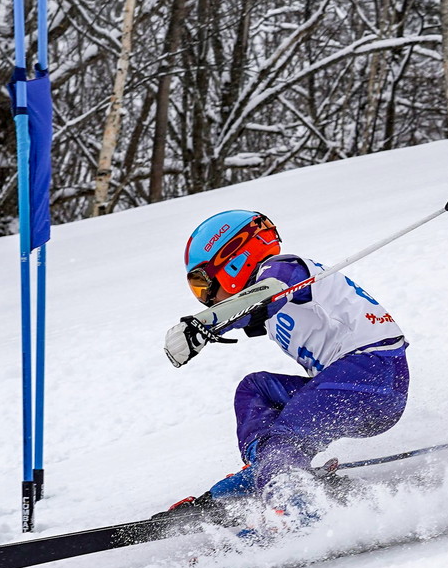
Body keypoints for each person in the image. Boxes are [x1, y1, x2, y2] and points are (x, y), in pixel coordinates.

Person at [163, 210, 410, 519]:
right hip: (353, 389)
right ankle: (267, 470)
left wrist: (204, 324)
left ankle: (295, 507)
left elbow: (266, 295)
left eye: (203, 283)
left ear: (234, 259)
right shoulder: (262, 300)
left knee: (284, 439)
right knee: (255, 389)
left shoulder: (284, 269)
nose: (206, 297)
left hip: (371, 372)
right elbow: (253, 311)